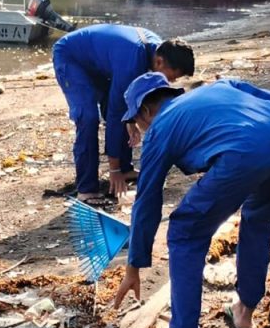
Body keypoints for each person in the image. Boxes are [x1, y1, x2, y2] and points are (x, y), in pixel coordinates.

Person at [112, 73, 270, 328]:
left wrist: (134, 265)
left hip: (242, 153)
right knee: (258, 219)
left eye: (137, 123)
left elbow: (147, 199)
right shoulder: (222, 85)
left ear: (145, 111)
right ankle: (244, 312)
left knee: (185, 230)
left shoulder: (160, 127)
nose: (140, 129)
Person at [52, 24, 194, 200]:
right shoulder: (132, 62)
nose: (171, 81)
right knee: (88, 117)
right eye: (172, 76)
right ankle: (87, 187)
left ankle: (126, 169)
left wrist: (131, 120)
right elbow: (115, 113)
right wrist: (114, 169)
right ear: (159, 62)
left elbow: (131, 100)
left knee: (123, 109)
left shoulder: (158, 51)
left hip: (102, 62)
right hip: (71, 57)